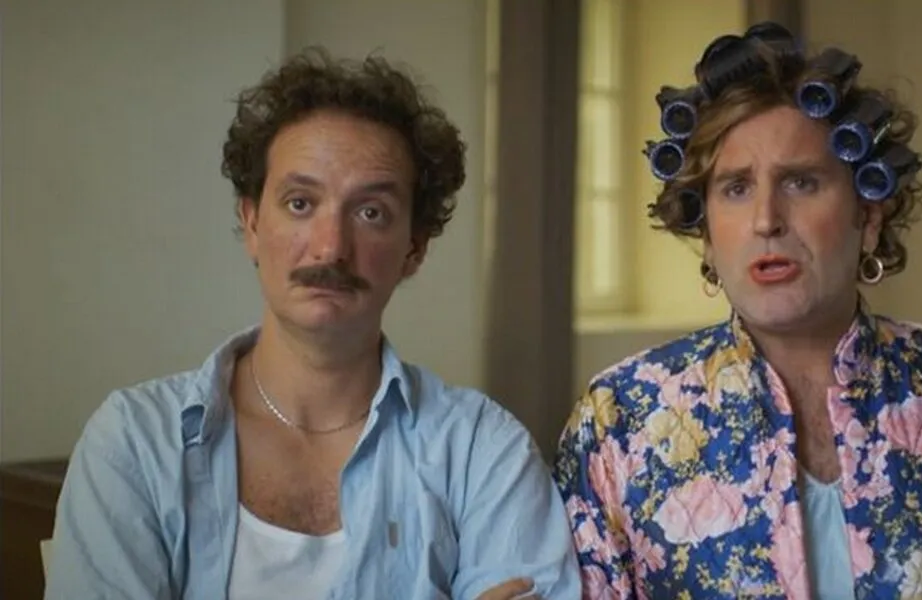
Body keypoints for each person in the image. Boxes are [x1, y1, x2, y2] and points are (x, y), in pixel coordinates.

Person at [553, 22, 922, 600]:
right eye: (736, 188)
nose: (766, 220)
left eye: (801, 182)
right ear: (707, 235)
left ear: (869, 216)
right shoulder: (620, 419)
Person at [46, 48, 580, 600]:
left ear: (414, 248)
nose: (331, 247)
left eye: (370, 212)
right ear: (252, 223)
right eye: (300, 203)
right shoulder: (134, 443)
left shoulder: (483, 452)